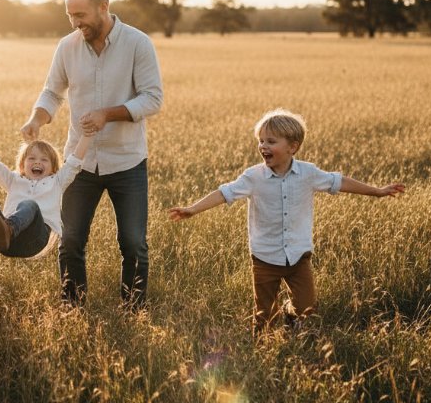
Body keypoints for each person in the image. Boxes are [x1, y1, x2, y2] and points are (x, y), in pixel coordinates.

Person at [167, 108, 405, 333]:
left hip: (298, 256)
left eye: (271, 142)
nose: (263, 146)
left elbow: (339, 182)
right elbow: (224, 193)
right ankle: (260, 350)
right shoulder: (253, 177)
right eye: (261, 141)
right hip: (264, 257)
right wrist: (193, 209)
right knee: (264, 314)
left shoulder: (308, 173)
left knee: (307, 308)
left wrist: (377, 191)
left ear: (293, 147)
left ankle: (291, 315)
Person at [20, 0, 163, 309]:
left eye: (81, 15)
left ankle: (133, 308)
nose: (75, 22)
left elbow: (152, 99)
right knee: (69, 240)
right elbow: (52, 91)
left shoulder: (137, 43)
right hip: (78, 163)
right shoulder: (67, 47)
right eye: (70, 15)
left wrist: (107, 114)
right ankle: (73, 306)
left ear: (103, 7)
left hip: (127, 161)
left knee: (133, 242)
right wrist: (36, 118)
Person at [0, 133, 92, 259]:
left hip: (35, 239)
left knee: (29, 204)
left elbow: (74, 162)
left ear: (53, 168)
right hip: (5, 243)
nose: (37, 162)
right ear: (22, 165)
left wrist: (86, 135)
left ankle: (10, 228)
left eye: (44, 160)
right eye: (31, 158)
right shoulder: (14, 179)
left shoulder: (57, 181)